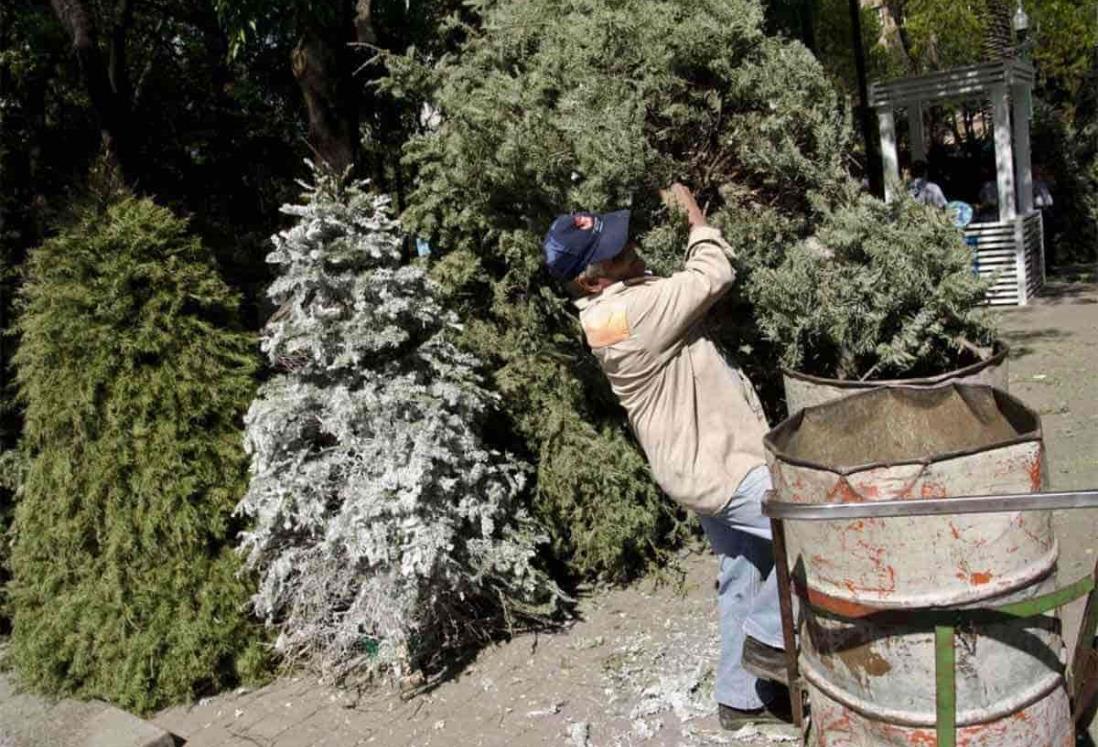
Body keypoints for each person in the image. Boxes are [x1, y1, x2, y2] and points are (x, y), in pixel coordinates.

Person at [541, 184, 789, 730]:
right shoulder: (632, 313)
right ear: (591, 279)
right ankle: (773, 643)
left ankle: (741, 700)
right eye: (617, 250)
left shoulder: (616, 305)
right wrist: (696, 219)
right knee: (815, 537)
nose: (630, 248)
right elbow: (713, 275)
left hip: (703, 467)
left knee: (747, 567)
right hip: (725, 471)